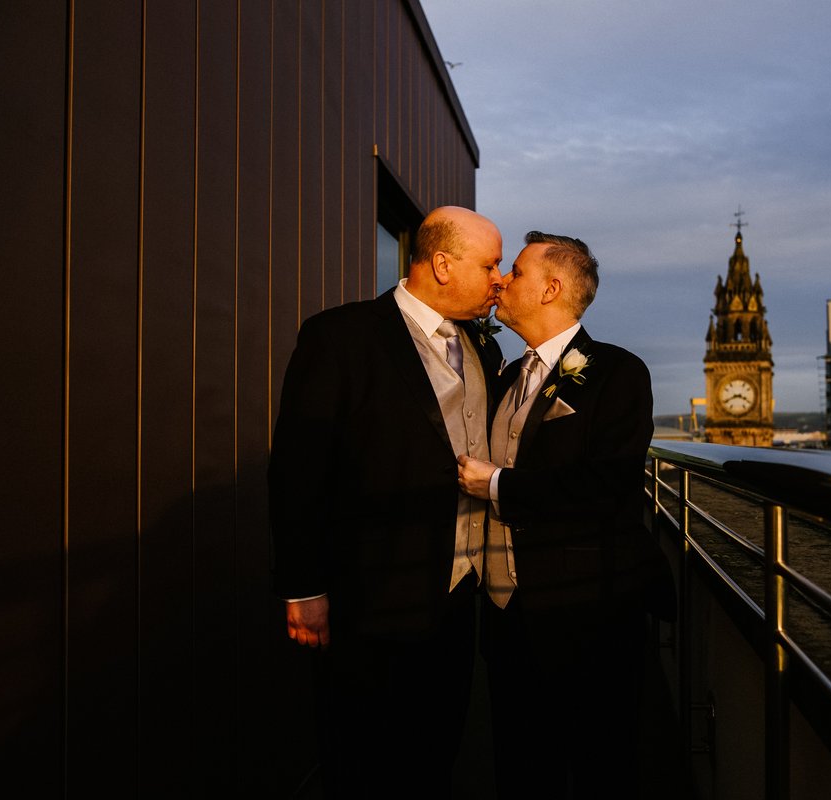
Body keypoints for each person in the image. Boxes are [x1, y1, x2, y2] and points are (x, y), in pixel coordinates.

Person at [268, 206, 505, 798]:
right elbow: (298, 469)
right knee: (364, 759)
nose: (499, 277)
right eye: (490, 264)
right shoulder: (340, 336)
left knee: (435, 753)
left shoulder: (482, 345)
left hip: (458, 594)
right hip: (369, 598)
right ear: (443, 265)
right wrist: (304, 586)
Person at [458, 231, 674, 798]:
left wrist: (500, 484)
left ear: (553, 287)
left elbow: (607, 485)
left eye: (518, 272)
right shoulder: (504, 375)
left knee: (602, 766)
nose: (502, 280)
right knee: (523, 766)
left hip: (586, 613)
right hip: (506, 617)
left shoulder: (616, 373)